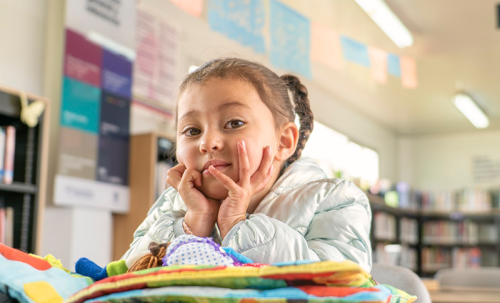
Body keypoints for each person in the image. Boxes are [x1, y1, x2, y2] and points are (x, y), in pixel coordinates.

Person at [121, 58, 372, 272]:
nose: (207, 143)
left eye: (234, 123)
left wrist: (238, 224)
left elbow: (343, 281)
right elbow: (124, 276)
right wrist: (193, 224)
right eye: (193, 130)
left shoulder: (335, 199)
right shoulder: (173, 203)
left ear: (284, 141)